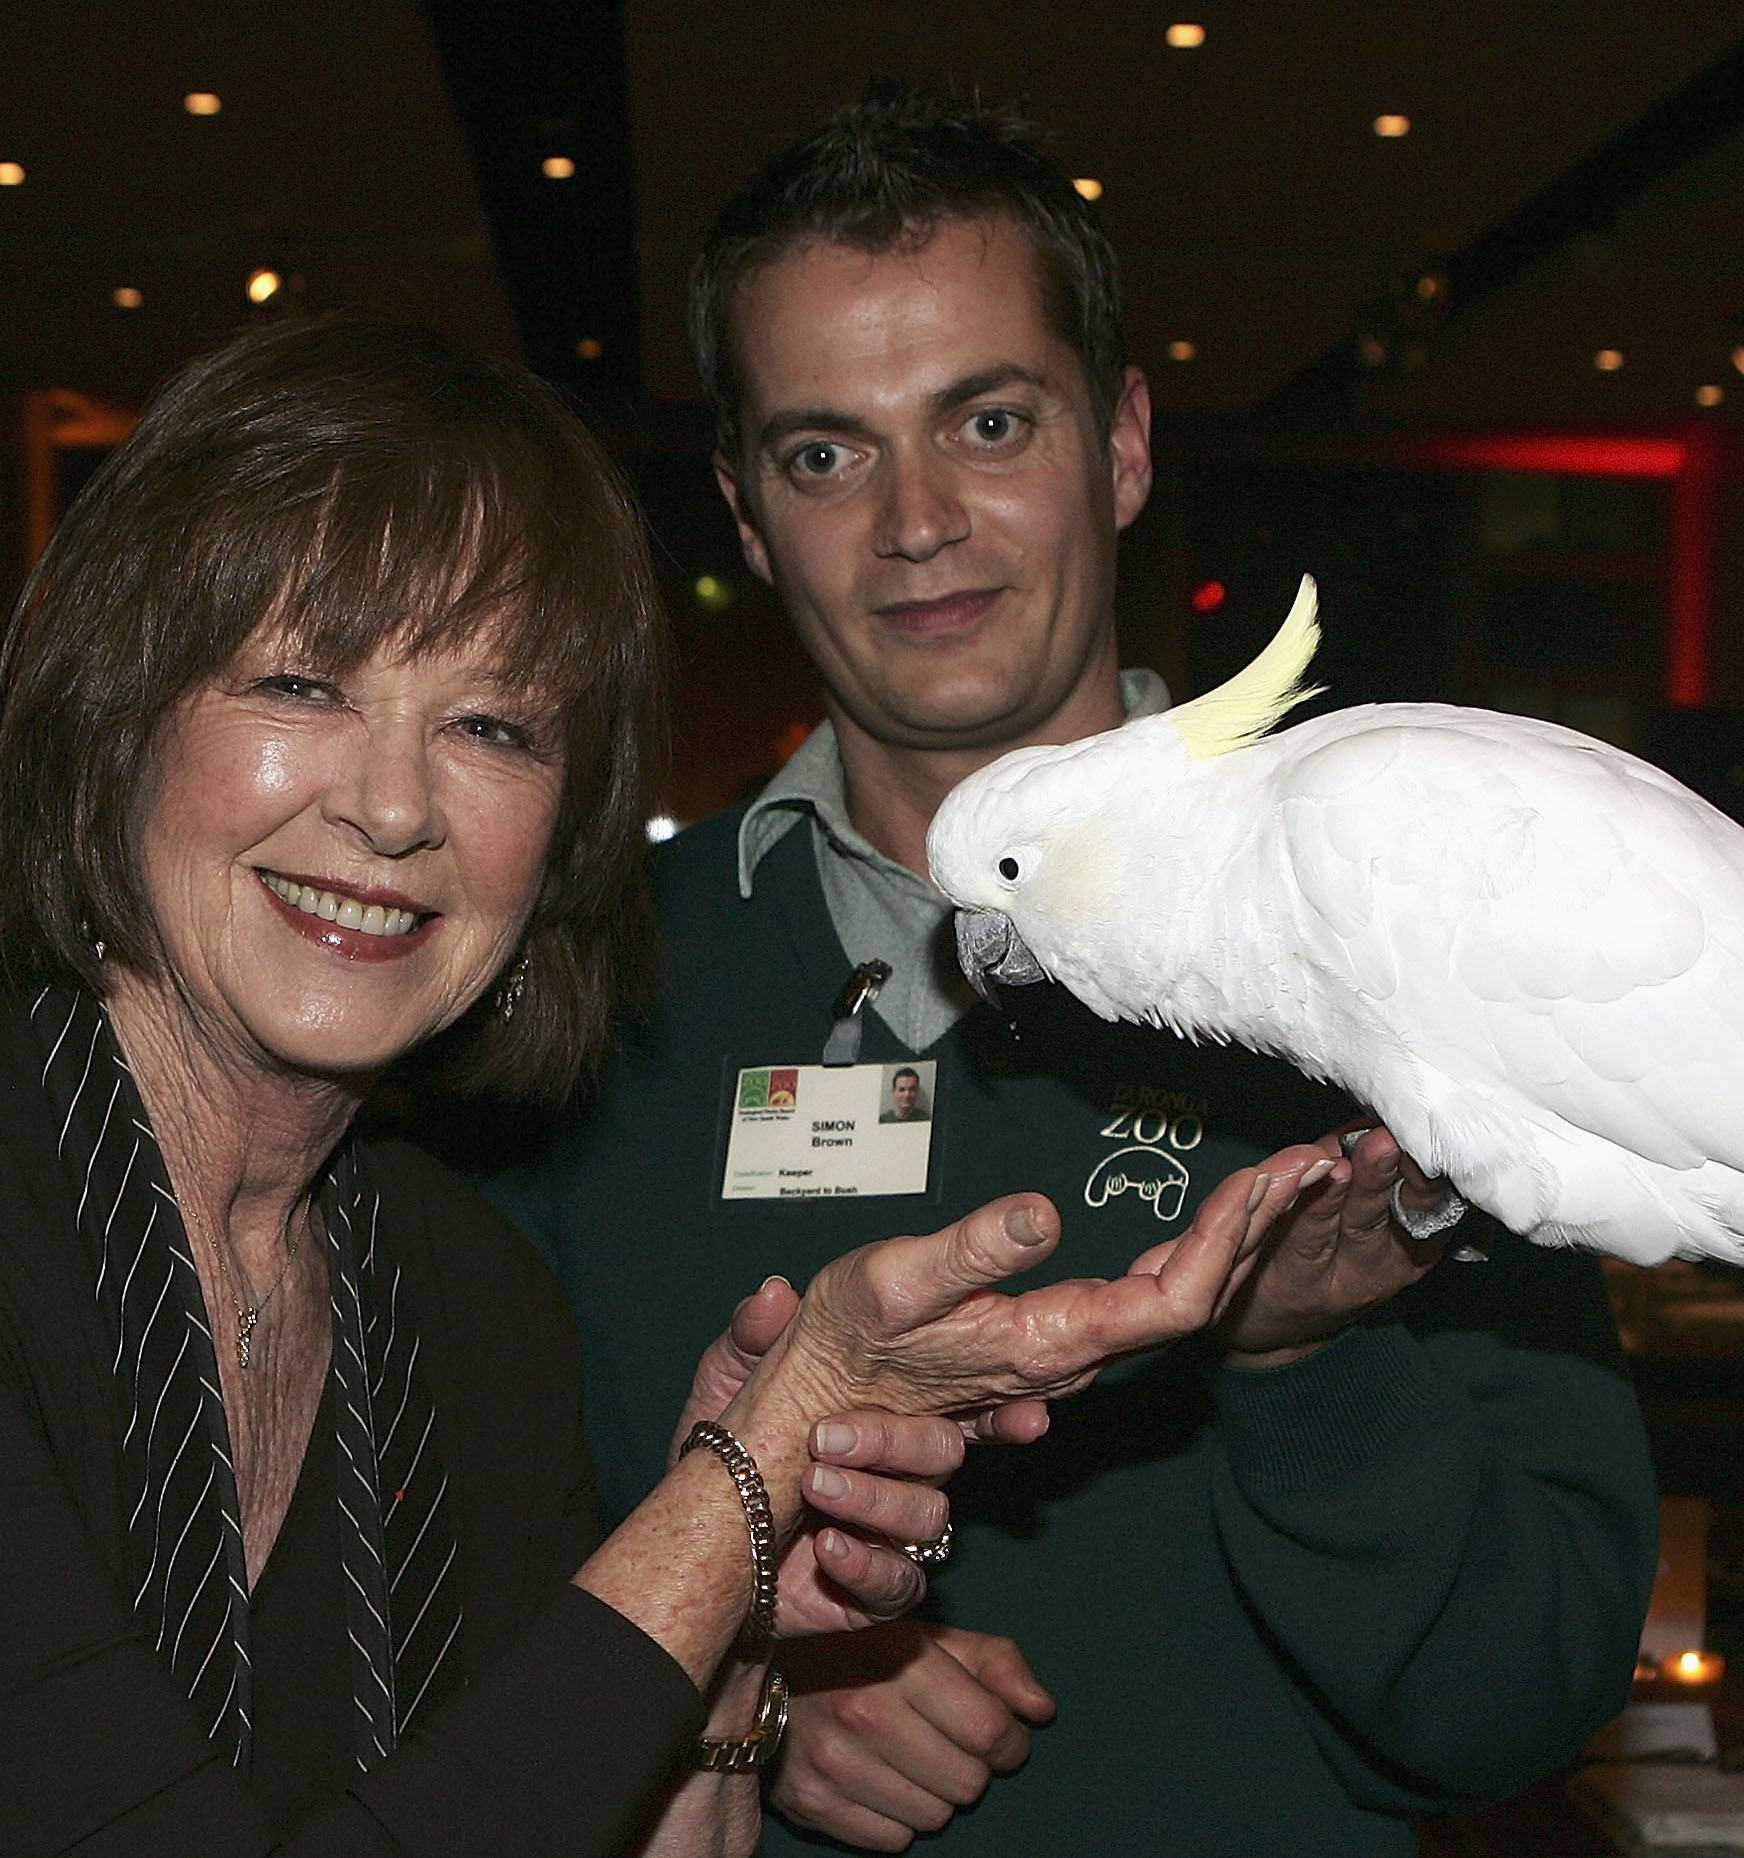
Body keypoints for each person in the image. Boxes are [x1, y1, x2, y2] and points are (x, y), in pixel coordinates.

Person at [0, 317, 1332, 1856]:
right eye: (295, 677)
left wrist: (741, 1648)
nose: (389, 801)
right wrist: (742, 1483)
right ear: (113, 709)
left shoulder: (461, 1297)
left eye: (493, 723)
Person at [492, 91, 1662, 1856]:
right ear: (744, 513)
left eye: (986, 419)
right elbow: (448, 1594)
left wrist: (1305, 1356)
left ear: (1119, 445)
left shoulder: (1390, 963)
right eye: (825, 452)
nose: (914, 520)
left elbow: (1525, 1699)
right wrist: (739, 1675)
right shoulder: (597, 1001)